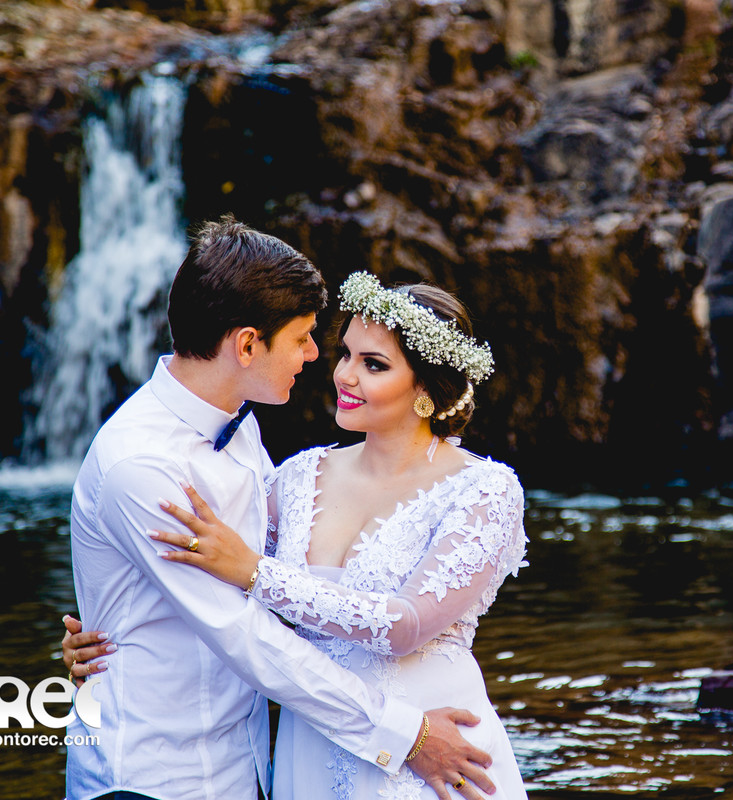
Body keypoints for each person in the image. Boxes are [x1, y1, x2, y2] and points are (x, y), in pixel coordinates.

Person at [62, 217, 496, 800]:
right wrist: (408, 737)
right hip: (154, 775)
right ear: (247, 345)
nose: (320, 359)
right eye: (304, 339)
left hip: (251, 766)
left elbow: (275, 569)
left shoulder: (241, 428)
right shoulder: (140, 466)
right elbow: (243, 631)